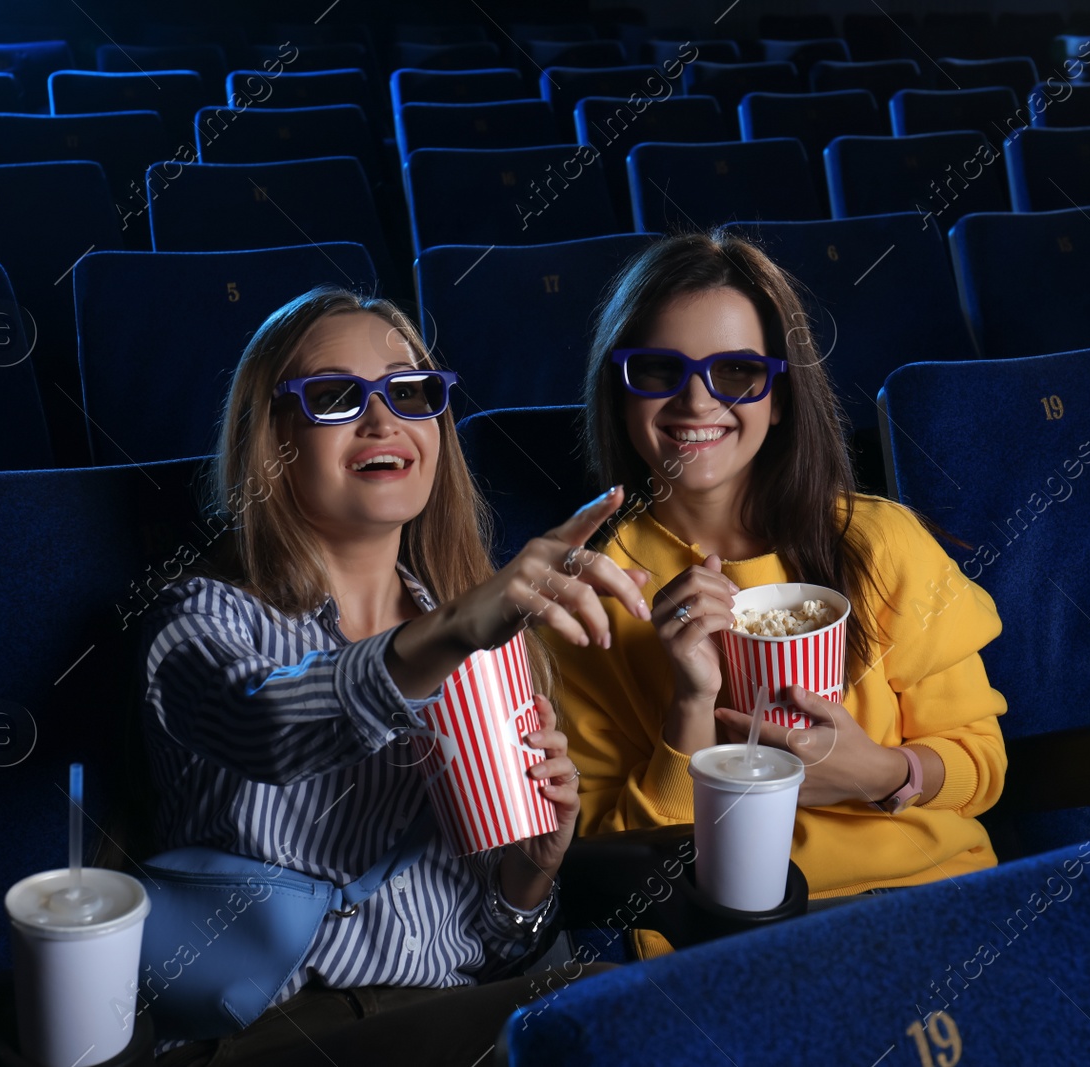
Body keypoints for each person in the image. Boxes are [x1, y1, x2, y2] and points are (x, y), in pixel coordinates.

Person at [139, 288, 650, 1065]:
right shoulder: (198, 619)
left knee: (644, 1011)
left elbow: (491, 945)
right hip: (265, 1031)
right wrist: (451, 629)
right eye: (337, 397)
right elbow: (268, 725)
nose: (383, 420)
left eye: (409, 391)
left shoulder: (485, 642)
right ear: (270, 436)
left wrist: (529, 876)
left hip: (448, 1012)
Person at [554, 231, 1009, 941]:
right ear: (619, 390)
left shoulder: (881, 542)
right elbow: (615, 863)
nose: (697, 402)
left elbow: (982, 765)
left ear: (781, 394)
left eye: (735, 372)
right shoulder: (593, 591)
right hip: (734, 934)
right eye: (657, 370)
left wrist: (881, 772)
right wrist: (691, 705)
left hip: (934, 900)